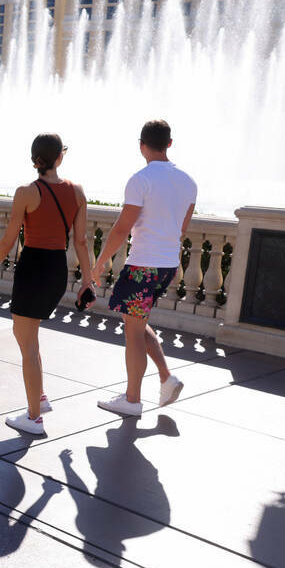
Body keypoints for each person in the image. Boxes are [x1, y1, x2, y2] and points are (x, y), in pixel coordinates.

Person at [0, 134, 94, 436]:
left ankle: (33, 418)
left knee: (26, 341)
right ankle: (39, 398)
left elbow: (8, 240)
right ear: (59, 157)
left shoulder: (26, 193)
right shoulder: (77, 192)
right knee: (31, 338)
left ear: (35, 159)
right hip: (57, 269)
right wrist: (87, 281)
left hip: (33, 267)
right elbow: (81, 242)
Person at [92, 119, 197, 417]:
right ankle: (167, 378)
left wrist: (99, 265)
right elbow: (181, 229)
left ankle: (132, 399)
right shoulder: (189, 182)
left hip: (143, 264)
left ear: (141, 146)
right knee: (136, 322)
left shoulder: (141, 179)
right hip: (167, 266)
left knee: (133, 333)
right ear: (170, 143)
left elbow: (121, 229)